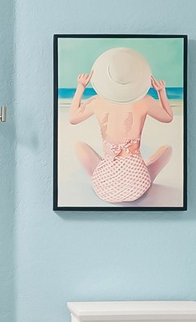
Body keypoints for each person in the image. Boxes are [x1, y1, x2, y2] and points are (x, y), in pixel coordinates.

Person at [67, 47, 175, 204]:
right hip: (138, 186)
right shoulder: (144, 101)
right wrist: (161, 92)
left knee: (79, 146)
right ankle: (142, 174)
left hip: (103, 188)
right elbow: (168, 117)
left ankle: (101, 174)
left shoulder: (97, 101)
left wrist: (80, 87)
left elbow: (73, 118)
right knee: (167, 150)